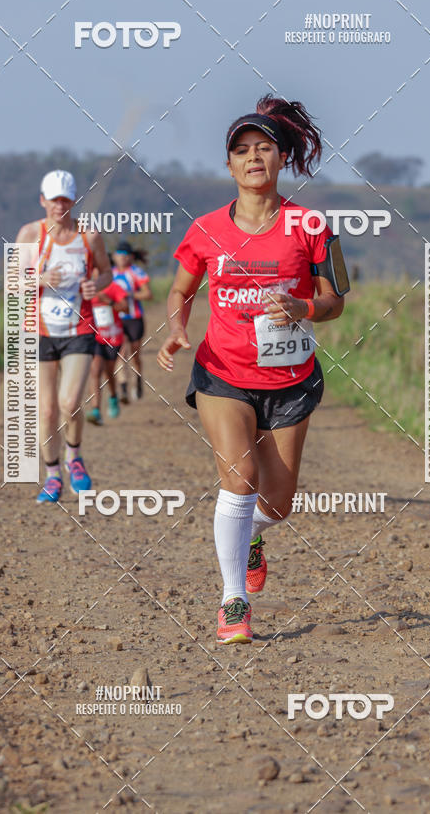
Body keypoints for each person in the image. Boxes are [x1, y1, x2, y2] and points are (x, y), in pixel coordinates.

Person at [157, 95, 347, 644]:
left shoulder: (311, 225)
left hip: (290, 380)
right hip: (223, 373)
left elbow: (335, 301)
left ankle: (252, 537)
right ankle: (233, 600)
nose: (253, 157)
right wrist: (176, 328)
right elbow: (180, 289)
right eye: (241, 150)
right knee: (238, 480)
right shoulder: (206, 229)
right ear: (229, 165)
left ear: (282, 158)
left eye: (264, 148)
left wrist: (303, 307)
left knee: (278, 504)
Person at [16, 169, 112, 503]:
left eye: (66, 200)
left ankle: (74, 456)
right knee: (47, 411)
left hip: (78, 330)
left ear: (73, 201)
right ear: (42, 201)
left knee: (70, 403)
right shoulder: (30, 234)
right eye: (54, 200)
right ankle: (53, 474)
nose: (60, 206)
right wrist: (40, 279)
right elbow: (12, 283)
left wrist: (95, 284)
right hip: (39, 330)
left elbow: (107, 272)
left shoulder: (89, 236)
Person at [86, 268, 129, 424]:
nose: (95, 273)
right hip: (95, 337)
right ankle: (96, 410)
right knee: (95, 370)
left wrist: (108, 301)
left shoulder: (114, 287)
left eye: (99, 269)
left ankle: (113, 396)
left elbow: (125, 307)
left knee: (109, 372)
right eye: (93, 269)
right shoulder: (87, 289)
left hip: (113, 337)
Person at [112, 242, 152, 402]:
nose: (122, 257)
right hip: (116, 320)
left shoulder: (136, 272)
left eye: (125, 255)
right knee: (121, 354)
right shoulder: (110, 273)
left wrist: (129, 294)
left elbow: (147, 294)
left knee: (135, 355)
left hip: (135, 319)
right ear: (114, 256)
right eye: (119, 254)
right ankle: (123, 388)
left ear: (130, 257)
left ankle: (138, 380)